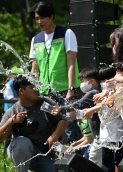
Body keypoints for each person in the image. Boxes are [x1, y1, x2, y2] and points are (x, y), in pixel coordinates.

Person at [0, 75, 68, 172]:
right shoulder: (13, 111)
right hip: (21, 153)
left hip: (44, 155)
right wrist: (11, 122)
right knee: (22, 141)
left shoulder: (44, 104)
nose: (36, 89)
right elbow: (0, 137)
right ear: (21, 90)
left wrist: (54, 137)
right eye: (32, 87)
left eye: (36, 86)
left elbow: (63, 119)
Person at [29, 1, 82, 144]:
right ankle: (54, 162)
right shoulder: (36, 40)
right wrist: (33, 90)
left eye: (42, 18)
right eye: (37, 19)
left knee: (71, 127)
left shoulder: (66, 34)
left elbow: (71, 64)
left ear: (51, 16)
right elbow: (35, 68)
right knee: (50, 129)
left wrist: (70, 90)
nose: (39, 22)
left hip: (65, 91)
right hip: (46, 94)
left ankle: (77, 161)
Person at [51, 67, 101, 162]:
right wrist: (76, 144)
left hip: (99, 137)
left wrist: (61, 109)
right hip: (99, 137)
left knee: (91, 161)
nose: (81, 84)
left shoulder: (93, 93)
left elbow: (78, 104)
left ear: (92, 81)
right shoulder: (98, 92)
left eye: (83, 81)